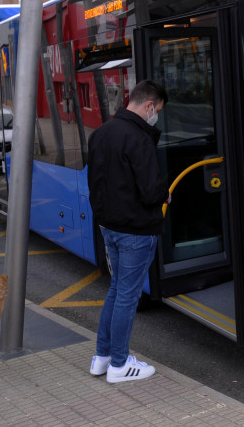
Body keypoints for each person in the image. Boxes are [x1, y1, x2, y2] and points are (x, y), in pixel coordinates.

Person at [86, 79, 171, 383]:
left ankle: (103, 357)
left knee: (117, 289)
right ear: (149, 105)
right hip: (136, 230)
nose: (156, 116)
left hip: (108, 227)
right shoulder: (139, 139)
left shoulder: (100, 134)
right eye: (157, 110)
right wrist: (164, 194)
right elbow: (150, 192)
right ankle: (120, 365)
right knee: (128, 295)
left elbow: (95, 182)